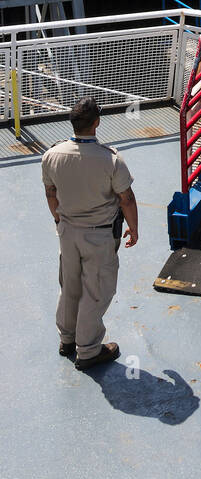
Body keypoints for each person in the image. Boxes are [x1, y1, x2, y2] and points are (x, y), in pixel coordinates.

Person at [41, 97, 138, 371]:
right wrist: (134, 228)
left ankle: (67, 340)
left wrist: (59, 219)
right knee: (95, 291)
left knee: (69, 286)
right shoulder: (111, 159)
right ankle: (88, 350)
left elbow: (51, 193)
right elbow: (126, 199)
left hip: (67, 232)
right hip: (98, 236)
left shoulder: (52, 155)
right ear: (96, 123)